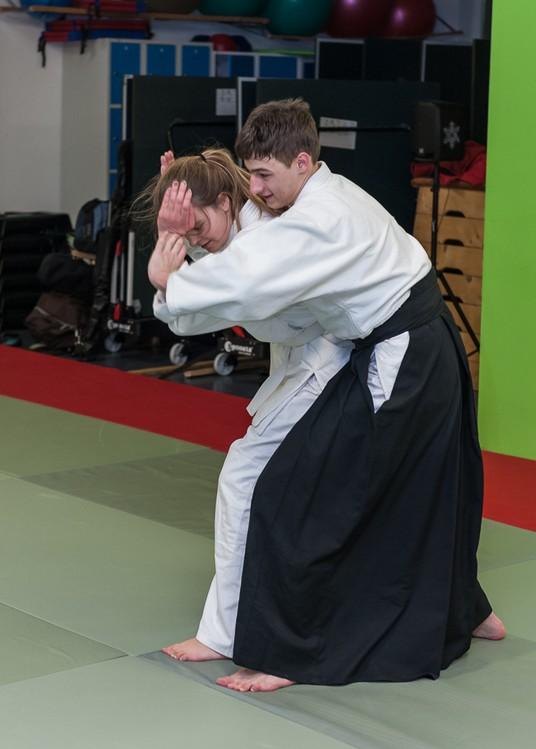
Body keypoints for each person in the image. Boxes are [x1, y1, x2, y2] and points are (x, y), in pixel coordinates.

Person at [148, 99, 505, 693]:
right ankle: (466, 609)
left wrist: (170, 280)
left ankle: (285, 646)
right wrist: (179, 242)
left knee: (316, 497)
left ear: (302, 162)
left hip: (398, 356)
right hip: (407, 348)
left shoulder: (314, 220)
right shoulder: (298, 204)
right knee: (417, 487)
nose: (257, 188)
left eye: (264, 175)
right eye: (250, 175)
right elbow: (240, 267)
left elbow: (248, 275)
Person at [146, 147, 353, 663]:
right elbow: (198, 302)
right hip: (310, 361)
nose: (196, 240)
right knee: (345, 491)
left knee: (244, 478)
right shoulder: (240, 234)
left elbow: (205, 304)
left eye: (198, 227)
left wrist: (167, 264)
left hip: (330, 361)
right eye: (189, 234)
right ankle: (461, 606)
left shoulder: (263, 240)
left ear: (225, 202)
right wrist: (177, 240)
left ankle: (223, 633)